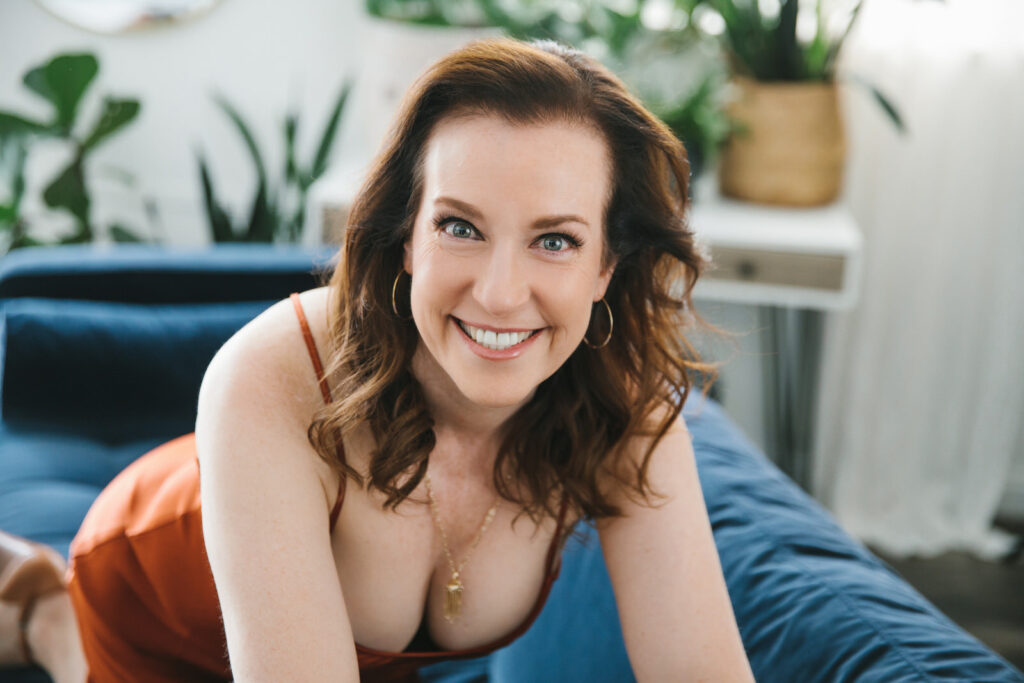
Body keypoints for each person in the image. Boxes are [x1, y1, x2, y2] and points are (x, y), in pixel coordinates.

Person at [0, 37, 754, 682]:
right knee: (77, 645)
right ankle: (45, 606)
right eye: (460, 227)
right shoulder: (265, 374)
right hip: (153, 612)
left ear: (606, 269)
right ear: (406, 239)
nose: (497, 294)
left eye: (554, 239)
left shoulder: (630, 415)